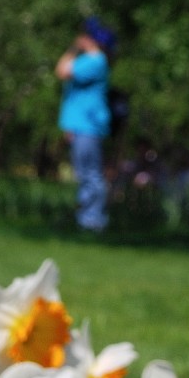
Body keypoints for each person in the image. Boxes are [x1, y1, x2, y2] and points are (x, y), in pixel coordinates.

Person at [56, 18, 115, 232]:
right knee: (85, 173)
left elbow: (62, 70)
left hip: (88, 126)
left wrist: (72, 48)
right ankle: (87, 218)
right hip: (82, 126)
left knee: (90, 174)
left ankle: (93, 220)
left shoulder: (95, 60)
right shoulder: (91, 60)